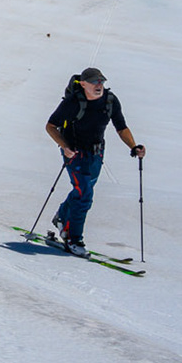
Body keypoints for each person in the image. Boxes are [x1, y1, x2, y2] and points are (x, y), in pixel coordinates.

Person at [44, 67, 144, 256]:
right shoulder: (73, 102)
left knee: (83, 190)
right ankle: (74, 238)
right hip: (74, 153)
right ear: (83, 84)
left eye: (101, 82)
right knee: (85, 195)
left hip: (96, 154)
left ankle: (62, 218)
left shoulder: (110, 101)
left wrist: (133, 146)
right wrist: (64, 147)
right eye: (94, 82)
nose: (99, 85)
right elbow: (50, 126)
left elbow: (121, 127)